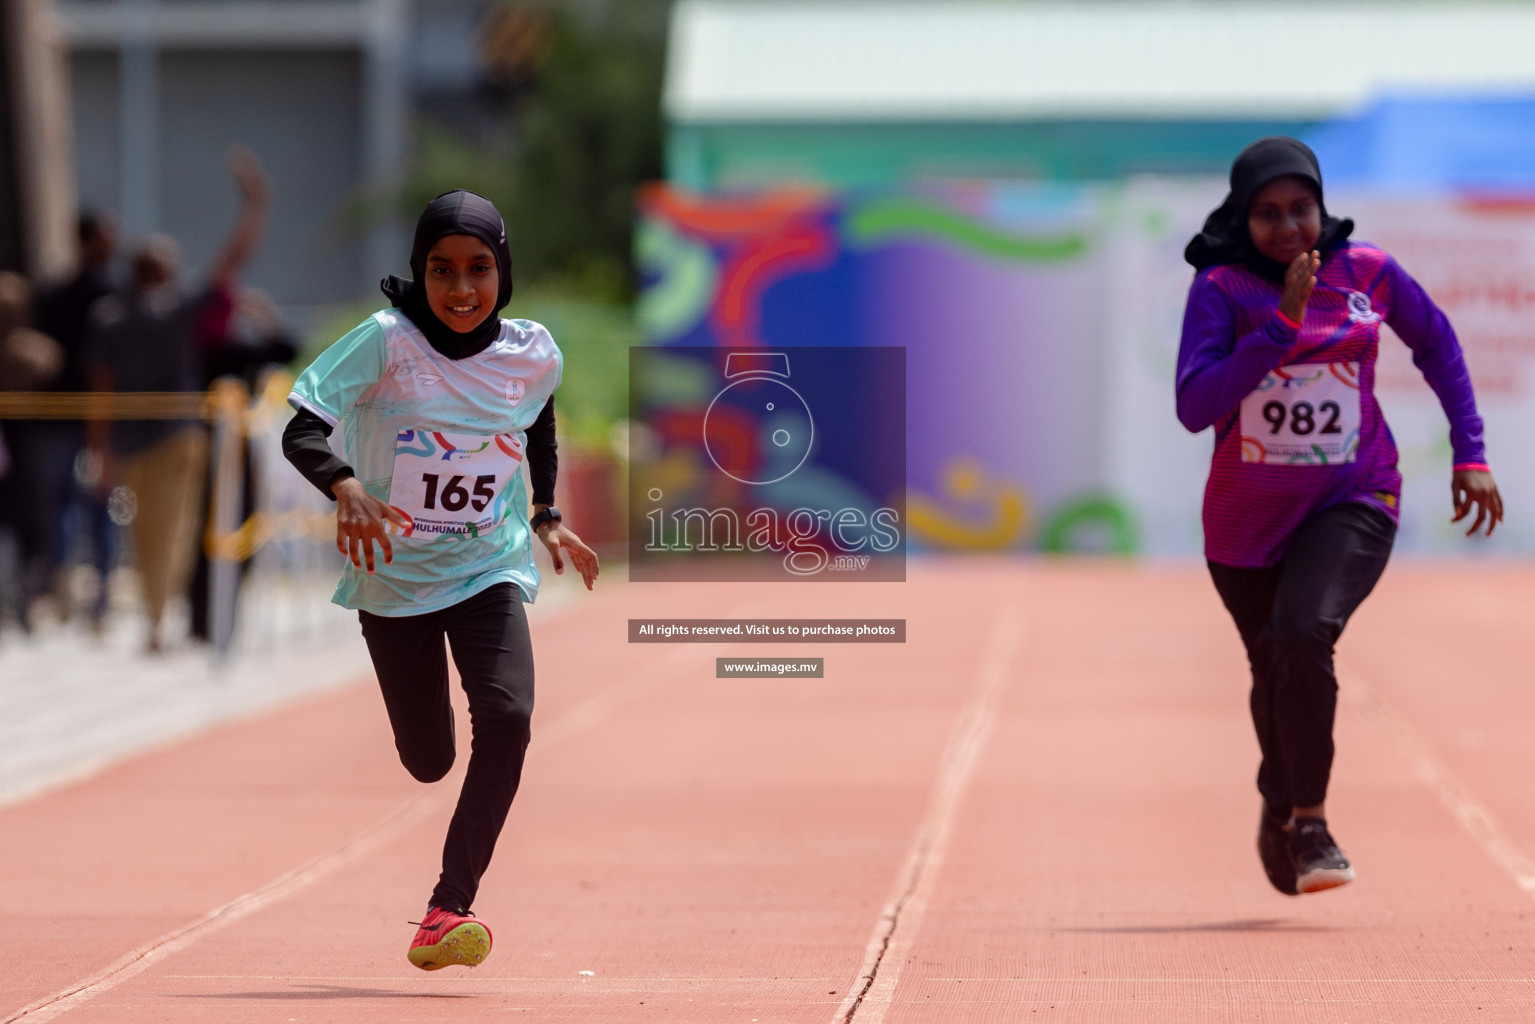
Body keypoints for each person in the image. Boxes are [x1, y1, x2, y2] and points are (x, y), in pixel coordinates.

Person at [281, 189, 599, 970]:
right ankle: (429, 781)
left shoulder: (531, 350)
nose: (461, 290)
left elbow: (538, 420)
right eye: (441, 270)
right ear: (418, 273)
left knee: (510, 716)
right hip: (393, 578)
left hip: (486, 564)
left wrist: (547, 512)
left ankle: (447, 908)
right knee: (428, 759)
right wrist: (346, 485)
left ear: (504, 271)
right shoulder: (385, 343)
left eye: (479, 270)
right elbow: (301, 425)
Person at [1176, 137, 1503, 896]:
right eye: (1267, 214)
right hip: (1244, 523)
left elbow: (1438, 344)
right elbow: (1195, 407)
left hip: (1353, 495)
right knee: (1272, 670)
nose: (1288, 227)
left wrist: (1470, 453)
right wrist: (1279, 327)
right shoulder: (1221, 289)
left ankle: (1311, 823)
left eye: (1301, 209)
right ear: (1241, 216)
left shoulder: (1367, 272)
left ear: (1322, 209)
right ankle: (1279, 800)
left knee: (1299, 636)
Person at [84, 147, 270, 653]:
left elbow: (101, 388)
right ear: (165, 272)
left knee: (142, 536)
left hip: (130, 439)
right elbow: (231, 262)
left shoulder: (108, 317)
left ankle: (154, 616)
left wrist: (99, 451)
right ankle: (159, 620)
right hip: (179, 438)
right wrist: (254, 203)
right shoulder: (175, 312)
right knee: (177, 530)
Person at [32, 211, 120, 629]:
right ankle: (71, 592)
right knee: (69, 506)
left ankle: (93, 595)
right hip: (69, 415)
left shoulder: (103, 293)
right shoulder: (86, 296)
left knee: (97, 505)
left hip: (90, 415)